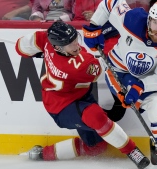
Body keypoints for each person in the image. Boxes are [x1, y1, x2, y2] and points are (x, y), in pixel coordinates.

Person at [15, 21, 150, 169]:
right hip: (61, 107)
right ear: (58, 46)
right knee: (96, 116)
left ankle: (43, 153)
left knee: (96, 148)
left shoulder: (45, 40)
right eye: (70, 44)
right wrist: (106, 42)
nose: (76, 45)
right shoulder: (78, 67)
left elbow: (20, 47)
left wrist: (43, 52)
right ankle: (132, 151)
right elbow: (101, 69)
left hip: (75, 96)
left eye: (75, 39)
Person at [82, 0, 157, 169]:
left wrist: (141, 85)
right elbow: (111, 3)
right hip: (119, 72)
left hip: (149, 78)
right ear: (148, 19)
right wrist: (94, 26)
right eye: (154, 22)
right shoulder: (132, 19)